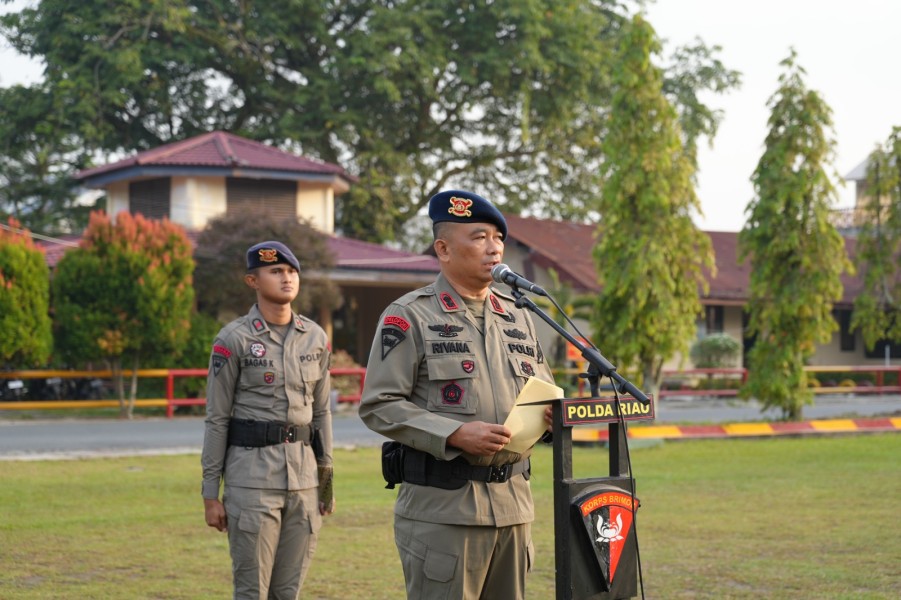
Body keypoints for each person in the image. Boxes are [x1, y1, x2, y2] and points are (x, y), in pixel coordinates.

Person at [358, 190, 556, 599]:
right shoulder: (410, 314)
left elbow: (543, 392)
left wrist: (554, 419)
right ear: (444, 248)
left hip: (514, 507)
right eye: (480, 236)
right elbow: (379, 404)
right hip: (444, 513)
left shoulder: (518, 316)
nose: (495, 247)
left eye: (498, 237)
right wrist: (453, 434)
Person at [201, 240, 335, 600]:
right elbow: (217, 419)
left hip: (305, 483)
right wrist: (210, 494)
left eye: (292, 271)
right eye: (276, 271)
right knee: (251, 592)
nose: (287, 278)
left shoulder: (316, 339)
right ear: (253, 281)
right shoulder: (233, 340)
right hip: (252, 483)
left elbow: (322, 414)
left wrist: (326, 484)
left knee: (287, 592)